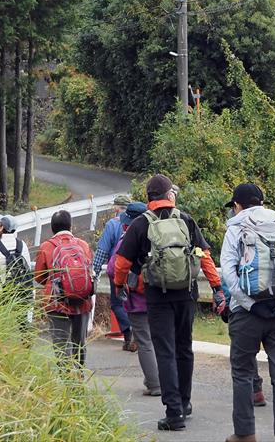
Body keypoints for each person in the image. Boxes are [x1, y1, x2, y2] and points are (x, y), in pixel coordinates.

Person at [113, 173, 225, 432]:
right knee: (184, 348)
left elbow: (121, 263)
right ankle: (185, 403)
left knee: (164, 351)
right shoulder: (185, 219)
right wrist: (217, 287)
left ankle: (174, 413)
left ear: (148, 197)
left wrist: (119, 285)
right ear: (169, 195)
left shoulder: (141, 223)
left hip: (157, 296)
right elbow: (205, 256)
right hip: (187, 293)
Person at [220, 183, 275, 442]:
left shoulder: (235, 229)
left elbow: (229, 274)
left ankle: (245, 434)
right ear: (262, 203)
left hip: (246, 314)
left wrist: (251, 305)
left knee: (243, 372)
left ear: (237, 205)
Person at [107, 201, 160, 396]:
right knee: (158, 341)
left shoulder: (128, 237)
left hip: (138, 299)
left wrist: (120, 285)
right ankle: (161, 378)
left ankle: (155, 384)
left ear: (126, 222)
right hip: (161, 296)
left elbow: (113, 268)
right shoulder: (159, 234)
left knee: (144, 342)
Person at [34, 209, 95, 369]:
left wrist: (57, 283)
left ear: (52, 228)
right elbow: (89, 271)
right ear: (71, 226)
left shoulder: (47, 247)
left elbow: (39, 277)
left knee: (61, 343)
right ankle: (79, 373)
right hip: (82, 300)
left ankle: (66, 377)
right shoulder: (83, 245)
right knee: (79, 342)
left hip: (57, 302)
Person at [92, 194, 136, 351]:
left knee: (117, 304)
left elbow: (102, 251)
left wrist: (95, 271)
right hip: (137, 271)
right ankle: (138, 334)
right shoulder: (139, 224)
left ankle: (129, 333)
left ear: (117, 208)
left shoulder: (113, 224)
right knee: (135, 303)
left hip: (118, 270)